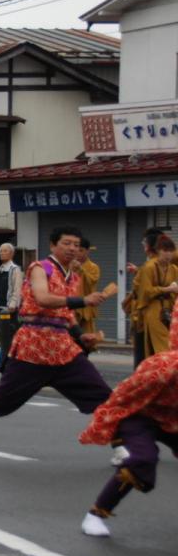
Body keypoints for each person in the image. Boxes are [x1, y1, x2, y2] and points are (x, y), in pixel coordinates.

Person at [0, 226, 111, 460]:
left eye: (76, 245)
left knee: (103, 396)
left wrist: (80, 334)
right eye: (67, 243)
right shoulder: (40, 268)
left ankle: (121, 445)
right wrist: (83, 300)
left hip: (64, 350)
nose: (72, 249)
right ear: (53, 245)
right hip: (33, 347)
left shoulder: (74, 276)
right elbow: (43, 298)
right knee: (2, 399)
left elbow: (67, 313)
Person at [76, 328, 178, 537]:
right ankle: (97, 514)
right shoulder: (161, 368)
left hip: (173, 418)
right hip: (137, 414)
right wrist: (112, 433)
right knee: (142, 459)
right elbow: (120, 401)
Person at [127, 234, 178, 360]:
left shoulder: (174, 268)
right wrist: (167, 289)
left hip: (169, 309)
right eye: (165, 251)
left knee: (169, 345)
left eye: (171, 251)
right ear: (158, 251)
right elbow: (146, 292)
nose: (168, 254)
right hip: (153, 309)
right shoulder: (149, 267)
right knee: (162, 348)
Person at [124, 228, 164, 367]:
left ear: (148, 246)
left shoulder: (150, 265)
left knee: (145, 355)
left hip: (147, 315)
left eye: (144, 242)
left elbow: (145, 292)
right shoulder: (166, 265)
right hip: (165, 313)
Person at [0, 243, 24, 370]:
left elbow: (17, 289)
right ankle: (5, 364)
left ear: (11, 253)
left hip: (9, 309)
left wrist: (13, 304)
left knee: (8, 338)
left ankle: (4, 366)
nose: (1, 253)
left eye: (4, 251)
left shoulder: (15, 269)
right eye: (0, 251)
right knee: (2, 337)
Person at [75, 239, 100, 336]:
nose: (78, 253)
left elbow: (92, 281)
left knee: (87, 336)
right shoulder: (69, 265)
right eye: (76, 250)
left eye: (81, 250)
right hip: (72, 304)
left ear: (87, 251)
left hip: (87, 304)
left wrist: (81, 269)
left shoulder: (94, 267)